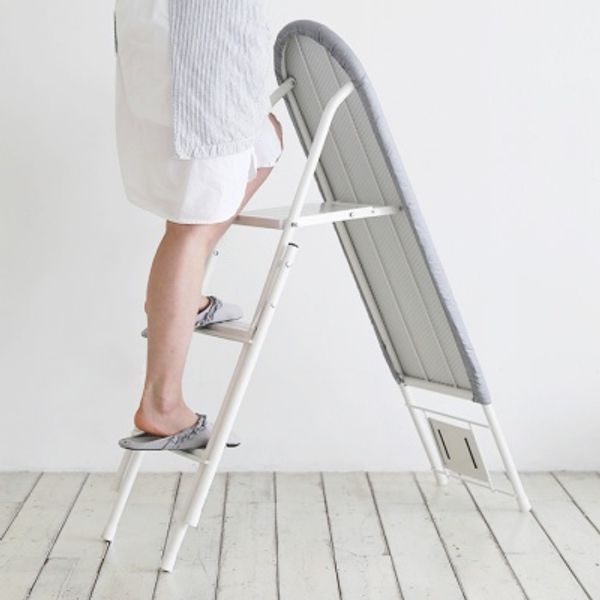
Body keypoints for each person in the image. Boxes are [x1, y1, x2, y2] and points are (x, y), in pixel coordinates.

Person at [113, 0, 283, 450]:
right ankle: (162, 403)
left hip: (168, 37)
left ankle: (180, 300)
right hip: (199, 49)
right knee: (191, 223)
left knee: (266, 142)